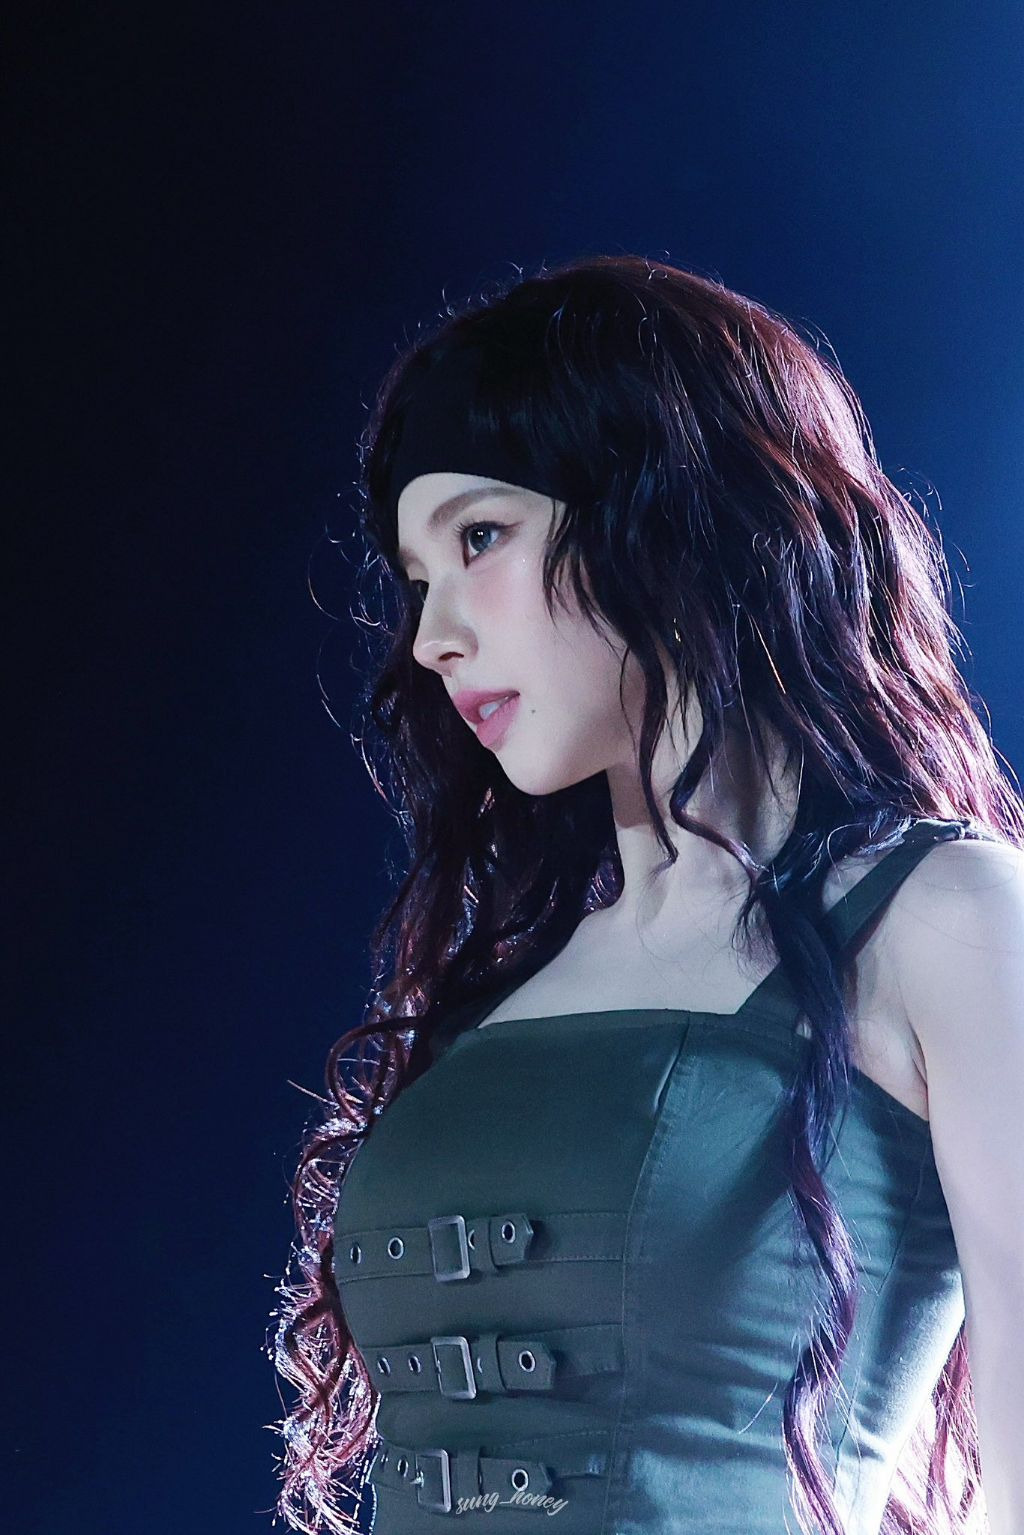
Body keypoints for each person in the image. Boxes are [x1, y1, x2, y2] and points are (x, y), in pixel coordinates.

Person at [271, 255, 1023, 1534]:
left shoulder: (946, 918)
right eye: (416, 578)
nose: (431, 636)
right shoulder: (498, 987)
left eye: (479, 537)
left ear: (669, 508)